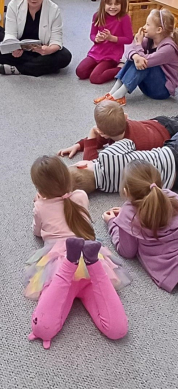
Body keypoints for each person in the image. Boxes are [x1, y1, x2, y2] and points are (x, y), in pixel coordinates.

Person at [26, 156, 129, 349]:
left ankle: (70, 262)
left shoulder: (40, 206)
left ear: (39, 189)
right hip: (89, 264)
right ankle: (92, 263)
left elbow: (37, 232)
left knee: (42, 329)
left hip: (58, 264)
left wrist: (40, 203)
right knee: (118, 330)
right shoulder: (81, 195)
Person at [104, 160, 178, 293]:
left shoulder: (128, 214)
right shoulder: (171, 196)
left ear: (126, 191)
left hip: (169, 269)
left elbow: (127, 252)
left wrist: (113, 223)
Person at [0, 0, 72, 77]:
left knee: (65, 56)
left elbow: (56, 40)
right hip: (21, 51)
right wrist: (14, 48)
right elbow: (10, 33)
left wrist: (49, 50)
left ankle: (18, 69)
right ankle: (38, 68)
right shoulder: (14, 4)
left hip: (43, 51)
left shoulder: (54, 9)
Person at [95, 9, 178, 105]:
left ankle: (118, 96)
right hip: (147, 86)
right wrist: (135, 55)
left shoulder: (168, 48)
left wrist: (138, 45)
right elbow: (129, 47)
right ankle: (112, 93)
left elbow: (146, 61)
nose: (144, 27)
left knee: (143, 63)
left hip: (161, 91)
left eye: (148, 24)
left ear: (159, 30)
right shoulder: (149, 40)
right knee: (135, 58)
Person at [58, 100, 177, 160]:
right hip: (159, 122)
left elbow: (91, 163)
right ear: (126, 117)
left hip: (170, 135)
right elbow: (99, 141)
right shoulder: (122, 125)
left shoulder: (123, 148)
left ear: (101, 132)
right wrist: (79, 145)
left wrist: (92, 133)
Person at [69, 135, 178, 194]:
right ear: (82, 166)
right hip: (170, 155)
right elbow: (128, 142)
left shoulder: (107, 187)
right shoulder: (106, 156)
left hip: (172, 182)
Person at [76, 0, 133, 84]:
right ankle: (99, 68)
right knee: (80, 72)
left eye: (117, 4)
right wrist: (97, 39)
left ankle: (121, 69)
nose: (113, 7)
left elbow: (129, 39)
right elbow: (92, 34)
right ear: (104, 4)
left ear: (122, 4)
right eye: (109, 4)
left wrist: (112, 38)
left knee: (95, 78)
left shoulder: (124, 18)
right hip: (97, 52)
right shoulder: (97, 16)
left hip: (111, 55)